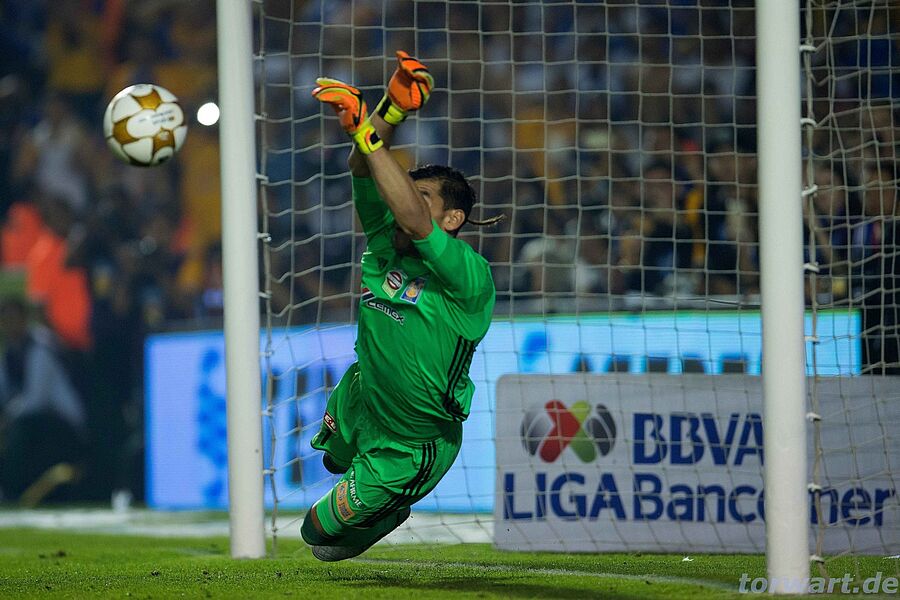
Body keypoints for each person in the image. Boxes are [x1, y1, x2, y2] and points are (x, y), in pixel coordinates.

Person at [300, 51, 501, 561]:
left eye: (421, 195)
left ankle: (388, 509)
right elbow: (363, 168)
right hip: (361, 397)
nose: (401, 202)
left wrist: (365, 133)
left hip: (412, 445)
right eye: (403, 192)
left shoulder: (467, 275)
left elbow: (415, 219)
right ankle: (362, 486)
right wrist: (389, 110)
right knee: (330, 464)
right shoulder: (383, 241)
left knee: (317, 537)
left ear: (452, 219)